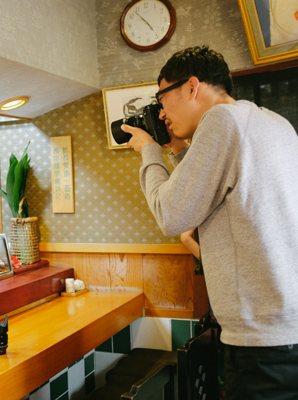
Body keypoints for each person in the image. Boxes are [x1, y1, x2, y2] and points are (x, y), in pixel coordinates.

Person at [122, 46, 298, 399]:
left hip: (261, 342)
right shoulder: (274, 123)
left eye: (162, 98)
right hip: (286, 328)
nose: (161, 112)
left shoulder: (220, 120)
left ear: (192, 86)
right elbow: (221, 191)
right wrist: (177, 150)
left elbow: (172, 214)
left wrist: (149, 151)